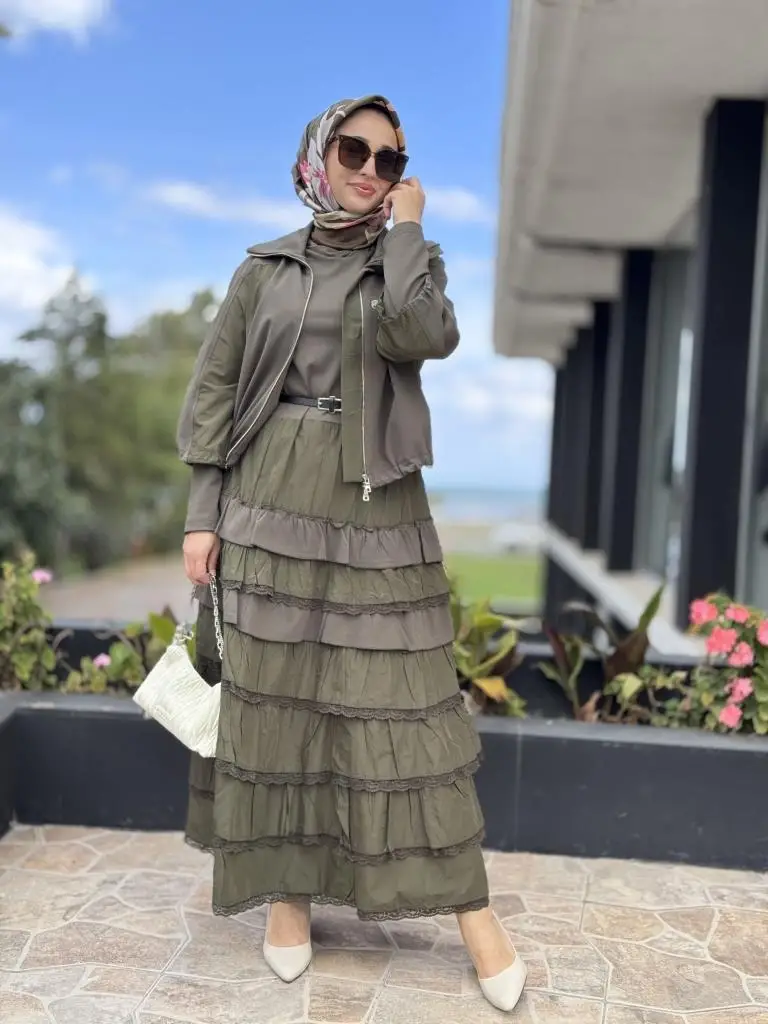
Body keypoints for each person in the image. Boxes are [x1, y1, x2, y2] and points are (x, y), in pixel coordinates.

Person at [177, 94, 526, 1013]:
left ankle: (473, 912)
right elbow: (215, 390)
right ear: (316, 157)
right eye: (353, 151)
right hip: (270, 494)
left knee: (405, 703)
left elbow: (423, 335)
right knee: (278, 698)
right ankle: (286, 897)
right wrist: (202, 514)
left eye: (389, 159)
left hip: (377, 500)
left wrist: (407, 232)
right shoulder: (263, 269)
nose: (370, 170)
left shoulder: (409, 260)